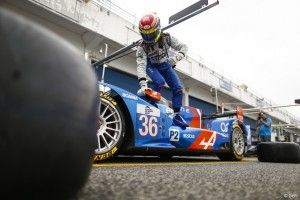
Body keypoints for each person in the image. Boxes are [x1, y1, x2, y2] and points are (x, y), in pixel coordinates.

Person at [136, 13, 188, 128]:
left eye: (151, 34)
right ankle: (150, 104)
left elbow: (184, 47)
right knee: (159, 82)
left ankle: (176, 115)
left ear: (158, 28)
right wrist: (143, 84)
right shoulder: (142, 47)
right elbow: (141, 65)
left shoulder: (167, 38)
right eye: (146, 35)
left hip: (165, 64)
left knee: (178, 89)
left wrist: (175, 59)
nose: (149, 38)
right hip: (151, 66)